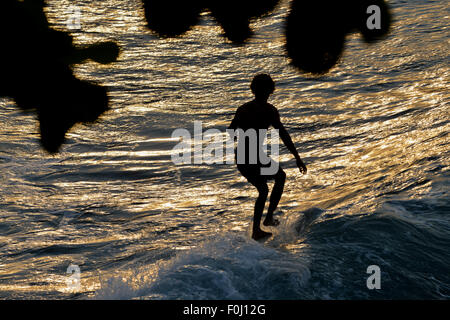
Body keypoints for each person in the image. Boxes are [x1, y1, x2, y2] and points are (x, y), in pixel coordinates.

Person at [229, 74, 307, 240]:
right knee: (274, 181)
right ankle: (264, 222)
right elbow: (284, 135)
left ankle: (262, 225)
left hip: (244, 155)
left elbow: (230, 132)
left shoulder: (244, 108)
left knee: (269, 185)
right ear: (270, 90)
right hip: (250, 156)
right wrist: (297, 158)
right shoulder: (268, 110)